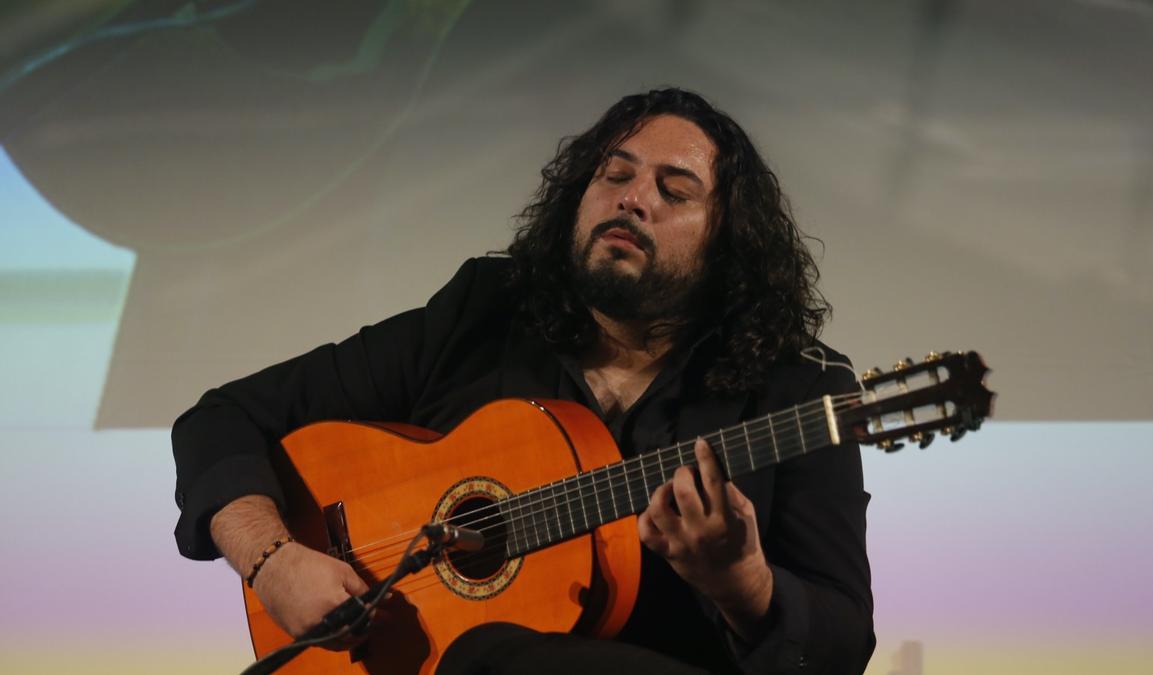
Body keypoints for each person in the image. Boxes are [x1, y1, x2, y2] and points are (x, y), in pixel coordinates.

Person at [172, 88, 874, 674]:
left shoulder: (799, 388)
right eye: (615, 174)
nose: (633, 200)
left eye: (674, 189)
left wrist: (743, 584)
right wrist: (273, 561)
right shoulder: (485, 310)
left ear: (729, 240)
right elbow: (224, 418)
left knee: (490, 655)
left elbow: (844, 640)